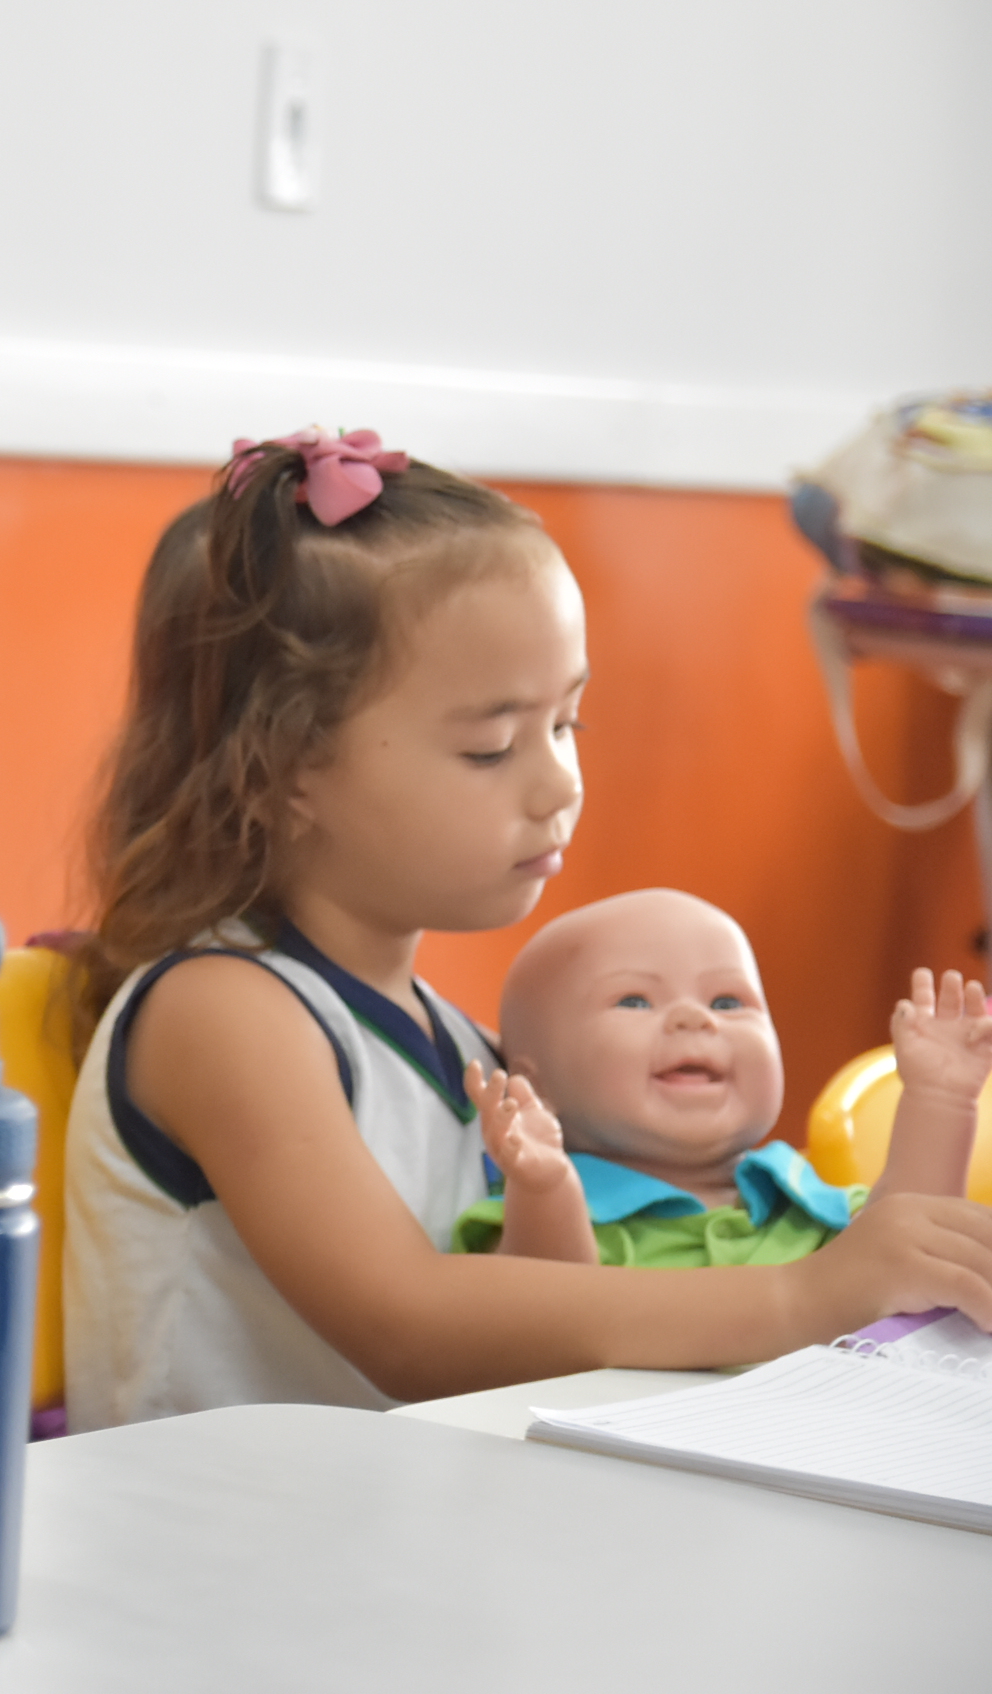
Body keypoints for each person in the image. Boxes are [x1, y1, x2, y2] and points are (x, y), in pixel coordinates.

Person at [61, 425, 992, 1430]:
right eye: (491, 745)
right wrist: (799, 1299)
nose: (557, 782)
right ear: (281, 768)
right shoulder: (223, 1012)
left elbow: (553, 1297)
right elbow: (406, 1323)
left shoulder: (454, 1044)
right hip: (211, 1556)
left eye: (566, 724)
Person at [453, 888, 992, 1265]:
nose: (696, 1017)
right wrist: (546, 1190)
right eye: (635, 1000)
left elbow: (917, 1246)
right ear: (536, 1086)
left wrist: (941, 1098)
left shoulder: (810, 1206)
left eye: (728, 1000)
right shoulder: (530, 1213)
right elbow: (543, 1318)